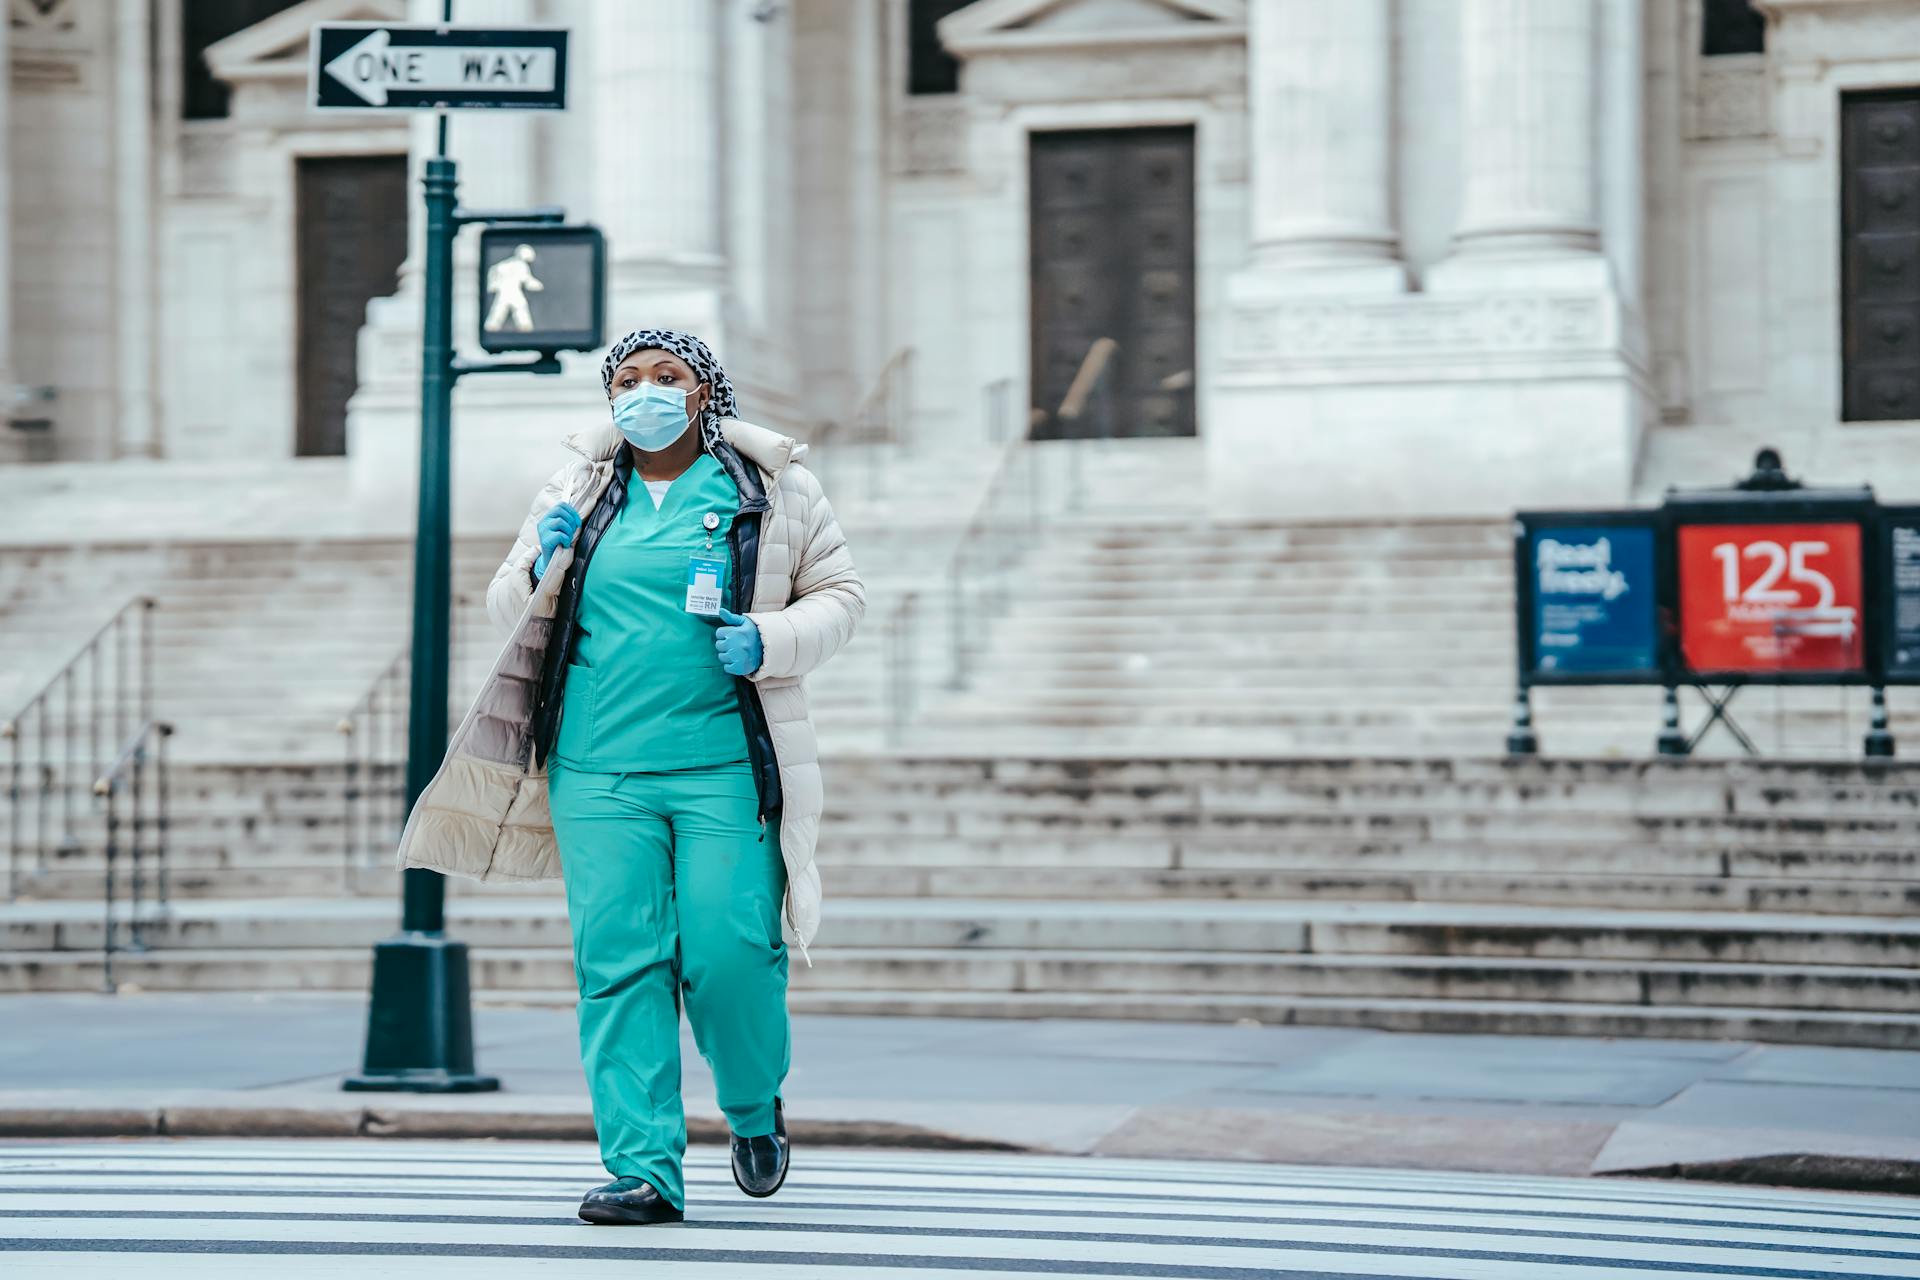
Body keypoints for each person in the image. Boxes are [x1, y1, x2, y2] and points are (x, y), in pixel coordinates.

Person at [393, 328, 865, 1225]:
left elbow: (841, 596)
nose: (643, 392)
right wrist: (543, 558)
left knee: (731, 955)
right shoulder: (576, 488)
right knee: (618, 965)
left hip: (723, 761)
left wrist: (768, 640)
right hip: (598, 766)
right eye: (627, 380)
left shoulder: (772, 487)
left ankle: (755, 1108)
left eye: (665, 377)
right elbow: (507, 606)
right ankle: (643, 1167)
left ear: (703, 391)